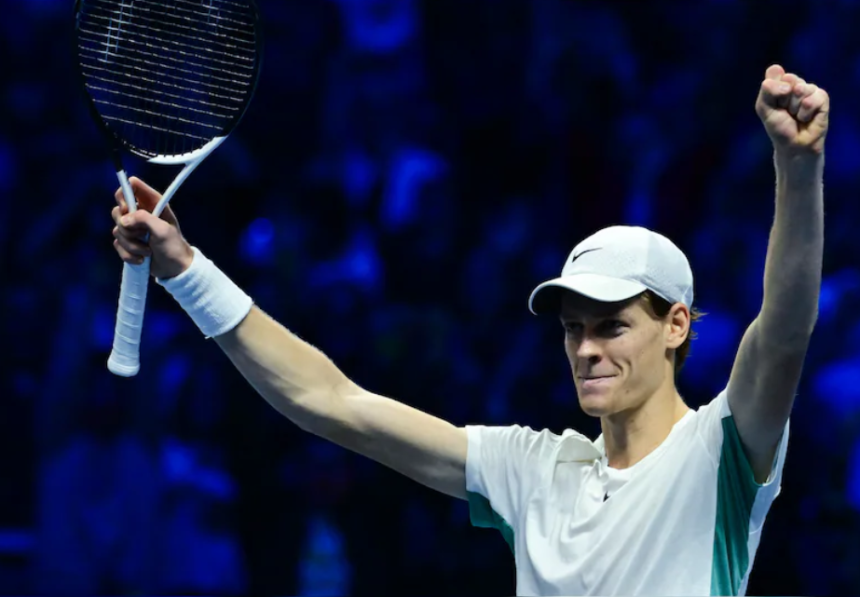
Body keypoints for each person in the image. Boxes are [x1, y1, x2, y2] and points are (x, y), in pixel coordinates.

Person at [110, 64, 827, 596]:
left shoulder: (719, 454)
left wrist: (797, 165)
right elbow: (332, 401)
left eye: (611, 325)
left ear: (676, 325)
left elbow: (785, 330)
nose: (585, 348)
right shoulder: (533, 470)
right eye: (573, 328)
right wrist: (184, 268)